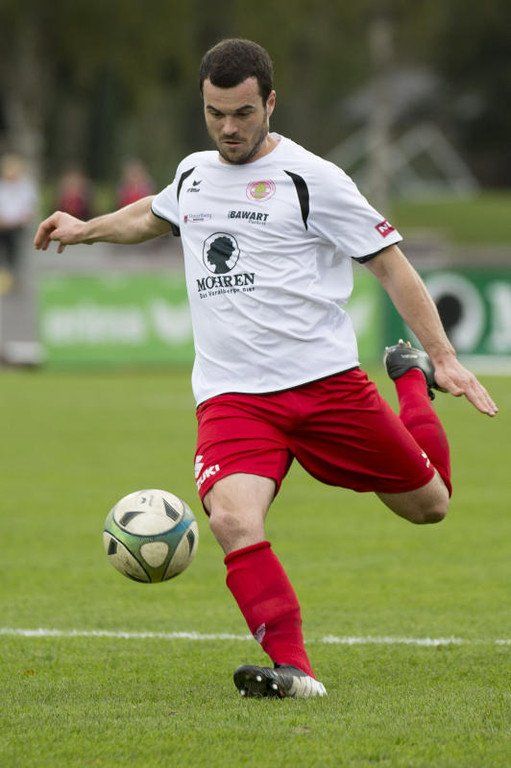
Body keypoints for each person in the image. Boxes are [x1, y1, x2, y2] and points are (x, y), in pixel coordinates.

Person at [34, 38, 498, 699]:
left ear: (270, 103)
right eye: (215, 113)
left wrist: (444, 359)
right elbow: (152, 214)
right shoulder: (194, 174)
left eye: (243, 113)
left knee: (430, 506)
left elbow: (391, 265)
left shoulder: (315, 179)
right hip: (233, 397)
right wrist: (85, 228)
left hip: (326, 386)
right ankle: (294, 669)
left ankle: (410, 381)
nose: (228, 128)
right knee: (232, 520)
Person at [0, 153, 37, 291]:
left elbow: (30, 208)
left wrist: (21, 219)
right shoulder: (2, 186)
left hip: (18, 228)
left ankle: (16, 281)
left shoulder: (26, 187)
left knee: (16, 255)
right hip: (2, 227)